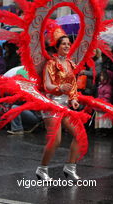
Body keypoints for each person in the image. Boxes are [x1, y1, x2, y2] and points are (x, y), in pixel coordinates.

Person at [35, 31, 81, 181]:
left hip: (64, 105)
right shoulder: (51, 63)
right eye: (64, 44)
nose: (67, 46)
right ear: (57, 47)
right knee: (56, 140)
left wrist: (73, 98)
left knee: (79, 135)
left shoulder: (69, 64)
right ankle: (42, 169)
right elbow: (47, 86)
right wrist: (59, 89)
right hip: (51, 104)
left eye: (69, 43)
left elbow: (73, 85)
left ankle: (70, 167)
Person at [94, 69, 113, 137]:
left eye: (102, 76)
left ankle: (105, 131)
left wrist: (102, 103)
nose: (101, 77)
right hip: (99, 105)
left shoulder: (107, 87)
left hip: (103, 106)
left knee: (104, 119)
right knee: (100, 118)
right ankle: (100, 130)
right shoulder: (101, 85)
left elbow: (107, 96)